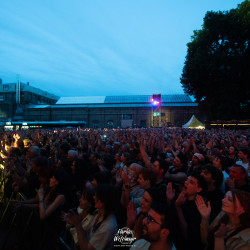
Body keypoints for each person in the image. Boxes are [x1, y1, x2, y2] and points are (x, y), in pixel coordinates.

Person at [64, 184, 119, 250]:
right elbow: (87, 235)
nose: (94, 197)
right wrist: (75, 222)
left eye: (96, 196)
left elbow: (86, 248)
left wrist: (78, 225)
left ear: (102, 202)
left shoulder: (107, 227)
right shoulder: (98, 212)